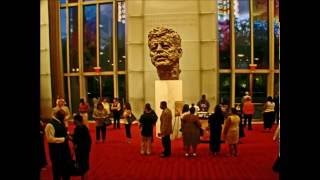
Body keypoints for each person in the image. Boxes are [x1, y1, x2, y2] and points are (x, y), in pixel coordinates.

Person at [45, 110, 72, 180]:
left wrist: (69, 135)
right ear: (57, 115)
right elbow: (49, 139)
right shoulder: (50, 125)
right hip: (56, 151)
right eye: (63, 116)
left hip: (65, 150)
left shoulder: (61, 122)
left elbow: (63, 132)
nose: (64, 117)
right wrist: (63, 139)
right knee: (57, 170)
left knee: (66, 168)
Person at [71, 114, 92, 180]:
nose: (73, 121)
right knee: (85, 165)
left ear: (77, 120)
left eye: (74, 120)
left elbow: (77, 140)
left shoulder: (78, 128)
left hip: (81, 150)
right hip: (86, 149)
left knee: (82, 165)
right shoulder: (84, 127)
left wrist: (69, 137)